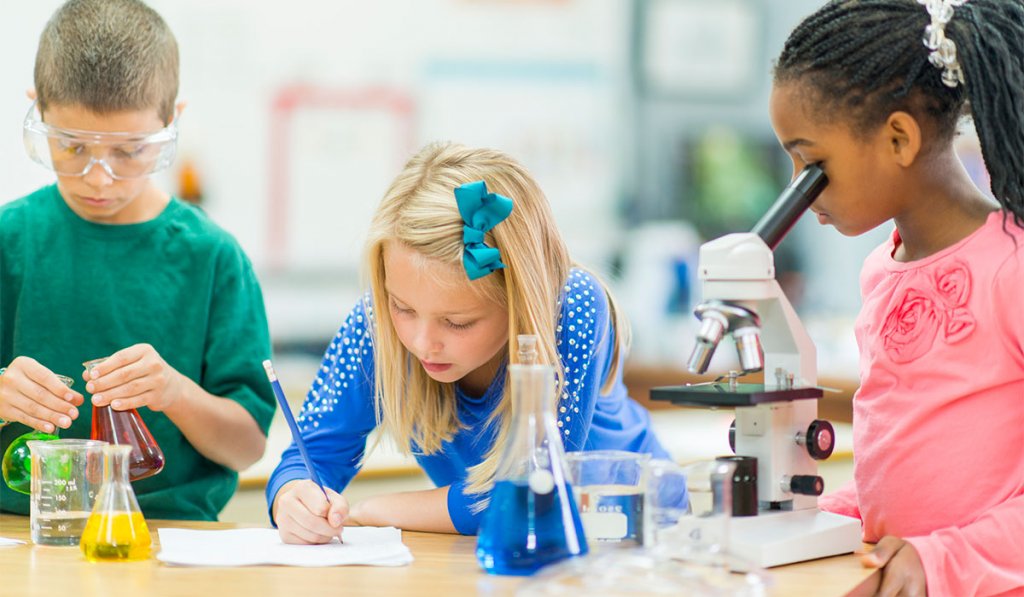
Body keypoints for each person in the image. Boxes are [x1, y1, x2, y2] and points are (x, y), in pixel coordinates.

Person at [267, 141, 670, 541]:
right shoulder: (376, 322)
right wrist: (293, 499)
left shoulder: (571, 305)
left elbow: (535, 492)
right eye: (402, 308)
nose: (423, 343)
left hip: (641, 529)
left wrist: (375, 510)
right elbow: (310, 457)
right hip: (502, 548)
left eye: (457, 323)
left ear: (520, 298)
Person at [770, 1, 1024, 594]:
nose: (797, 191)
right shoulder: (881, 272)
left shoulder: (1010, 269)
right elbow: (903, 466)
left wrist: (942, 561)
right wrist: (826, 518)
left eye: (812, 163)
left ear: (899, 137)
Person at [0, 0, 275, 520]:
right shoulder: (9, 240)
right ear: (39, 113)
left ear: (173, 122)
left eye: (129, 151)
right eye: (72, 146)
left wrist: (174, 392)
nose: (99, 177)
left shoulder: (212, 259)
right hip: (20, 536)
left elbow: (247, 447)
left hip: (171, 538)